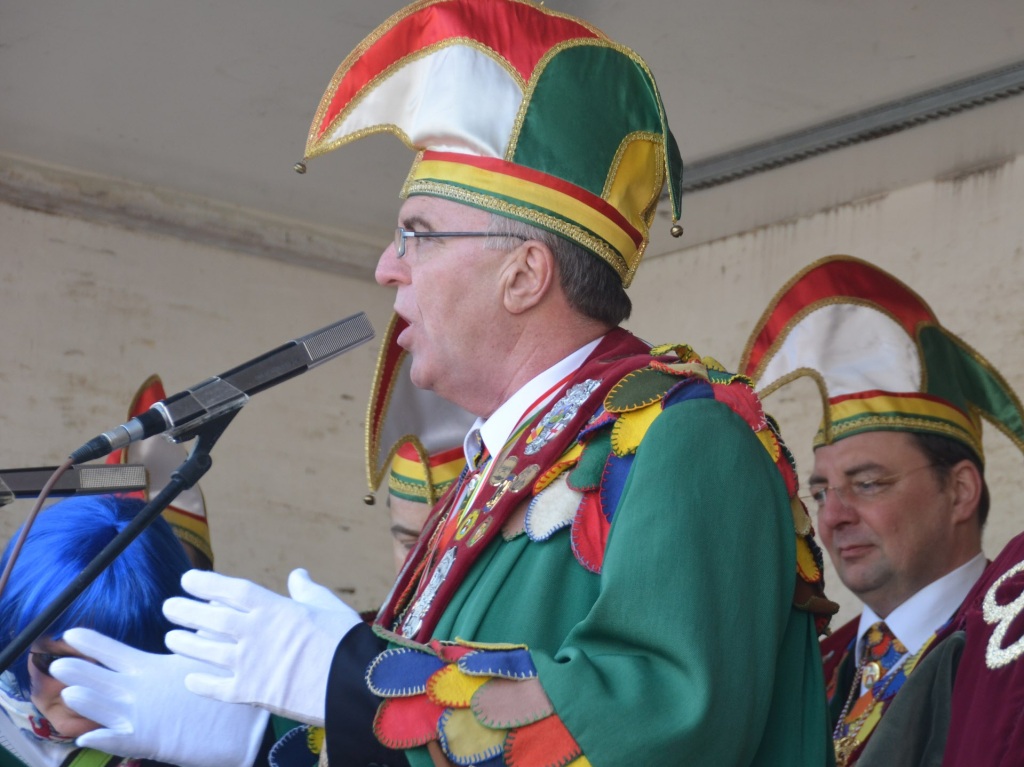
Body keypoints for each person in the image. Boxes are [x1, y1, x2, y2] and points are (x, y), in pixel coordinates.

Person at [53, 2, 837, 765]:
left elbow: (664, 727)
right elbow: (429, 743)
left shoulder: (687, 438)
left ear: (524, 273)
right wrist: (257, 740)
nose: (386, 265)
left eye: (417, 235)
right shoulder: (492, 477)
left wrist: (344, 678)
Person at [738, 254, 1024, 766]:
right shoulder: (817, 662)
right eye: (822, 492)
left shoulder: (1007, 636)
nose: (833, 517)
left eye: (867, 483)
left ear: (960, 490)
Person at [0, 494, 261, 767]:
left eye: (111, 665)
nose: (81, 691)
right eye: (56, 660)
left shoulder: (205, 741)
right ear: (11, 633)